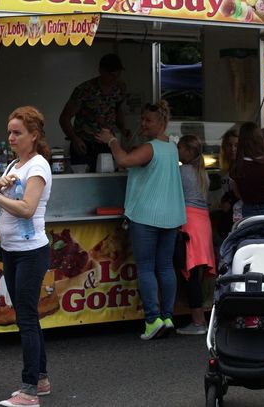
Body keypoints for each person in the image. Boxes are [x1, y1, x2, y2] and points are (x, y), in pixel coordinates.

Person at [0, 106, 52, 407]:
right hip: (12, 250)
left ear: (34, 135)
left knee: (27, 318)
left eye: (17, 132)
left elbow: (27, 209)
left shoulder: (38, 166)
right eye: (9, 132)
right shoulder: (13, 166)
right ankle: (40, 380)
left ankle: (29, 391)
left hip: (30, 252)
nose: (11, 138)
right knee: (26, 315)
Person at [95, 100, 186, 340]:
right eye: (142, 119)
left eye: (148, 120)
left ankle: (152, 320)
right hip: (171, 216)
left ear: (162, 122)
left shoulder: (150, 147)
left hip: (146, 216)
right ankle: (167, 317)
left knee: (146, 267)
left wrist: (112, 141)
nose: (143, 124)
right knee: (165, 267)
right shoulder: (172, 147)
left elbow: (124, 161)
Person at [59, 53, 130, 172]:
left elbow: (118, 110)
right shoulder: (85, 90)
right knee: (84, 178)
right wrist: (75, 139)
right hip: (84, 144)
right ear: (101, 71)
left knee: (108, 177)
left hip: (107, 144)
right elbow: (64, 118)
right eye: (111, 75)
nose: (114, 79)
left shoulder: (119, 89)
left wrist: (123, 128)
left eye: (117, 75)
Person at [175, 135, 216, 335]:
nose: (177, 151)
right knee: (195, 274)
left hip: (189, 222)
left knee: (189, 274)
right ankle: (200, 320)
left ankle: (198, 322)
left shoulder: (182, 171)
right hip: (203, 223)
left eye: (180, 148)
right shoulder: (202, 173)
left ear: (189, 151)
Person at [231, 122, 264, 218]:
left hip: (247, 210)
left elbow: (237, 193)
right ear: (260, 140)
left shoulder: (236, 167)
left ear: (241, 142)